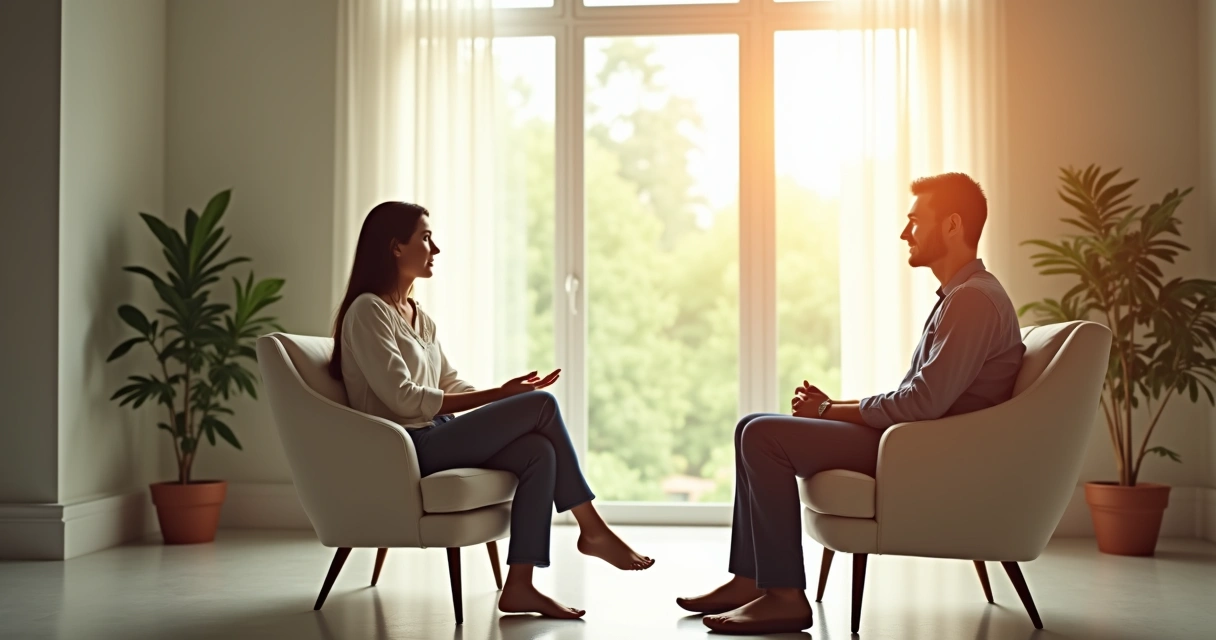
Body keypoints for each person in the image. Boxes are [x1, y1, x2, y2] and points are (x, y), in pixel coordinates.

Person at [676, 172, 1026, 635]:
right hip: (912, 443)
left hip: (923, 454)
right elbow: (921, 398)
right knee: (751, 425)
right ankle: (750, 580)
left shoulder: (973, 303)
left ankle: (784, 597)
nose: (905, 232)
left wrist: (827, 410)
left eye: (915, 220)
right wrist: (831, 406)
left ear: (952, 226)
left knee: (762, 435)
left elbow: (921, 403)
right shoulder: (962, 297)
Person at [329, 201, 654, 620]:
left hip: (435, 432)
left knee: (539, 450)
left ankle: (520, 586)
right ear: (395, 247)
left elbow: (448, 382)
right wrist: (502, 398)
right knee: (542, 405)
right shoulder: (368, 312)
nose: (436, 248)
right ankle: (592, 528)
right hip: (405, 446)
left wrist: (502, 394)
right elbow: (404, 400)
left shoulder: (418, 317)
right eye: (426, 237)